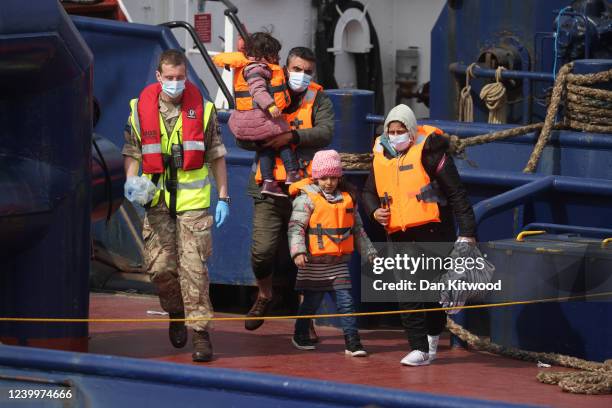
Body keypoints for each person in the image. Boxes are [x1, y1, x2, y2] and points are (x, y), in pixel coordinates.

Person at [122, 49, 230, 363]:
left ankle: (201, 335)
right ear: (159, 77)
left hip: (193, 205)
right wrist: (131, 180)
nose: (174, 83)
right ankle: (175, 310)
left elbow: (217, 157)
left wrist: (223, 197)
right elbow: (132, 151)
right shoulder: (138, 110)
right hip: (155, 202)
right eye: (168, 78)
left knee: (194, 271)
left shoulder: (205, 112)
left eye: (180, 78)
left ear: (186, 76)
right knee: (159, 270)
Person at [361, 104, 476, 366]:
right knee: (407, 290)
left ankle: (433, 339)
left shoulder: (431, 152)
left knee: (430, 292)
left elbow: (457, 193)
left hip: (434, 232)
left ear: (411, 131)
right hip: (400, 235)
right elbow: (368, 192)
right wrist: (374, 212)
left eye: (400, 131)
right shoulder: (381, 154)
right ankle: (419, 348)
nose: (395, 135)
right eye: (390, 131)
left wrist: (467, 232)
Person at [236, 46, 334, 332]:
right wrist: (262, 136)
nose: (301, 76)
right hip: (267, 188)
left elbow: (326, 131)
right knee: (261, 252)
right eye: (296, 69)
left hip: (306, 189)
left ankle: (306, 320)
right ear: (285, 68)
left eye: (307, 71)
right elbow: (241, 133)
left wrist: (291, 136)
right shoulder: (263, 90)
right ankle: (265, 295)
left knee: (308, 255)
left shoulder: (319, 98)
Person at [288, 150, 376, 356]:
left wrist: (369, 252)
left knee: (346, 303)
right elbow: (295, 227)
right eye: (324, 177)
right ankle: (300, 335)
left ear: (339, 177)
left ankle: (352, 342)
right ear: (316, 177)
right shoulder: (305, 199)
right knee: (311, 303)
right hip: (313, 264)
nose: (329, 182)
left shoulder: (348, 199)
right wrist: (298, 252)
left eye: (333, 177)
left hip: (337, 263)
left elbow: (358, 230)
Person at [214, 32, 299, 197]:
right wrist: (271, 105)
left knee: (265, 146)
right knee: (283, 138)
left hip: (245, 121)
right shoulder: (256, 68)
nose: (278, 58)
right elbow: (257, 89)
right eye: (275, 54)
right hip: (258, 119)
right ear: (265, 55)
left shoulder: (247, 65)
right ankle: (293, 172)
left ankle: (268, 182)